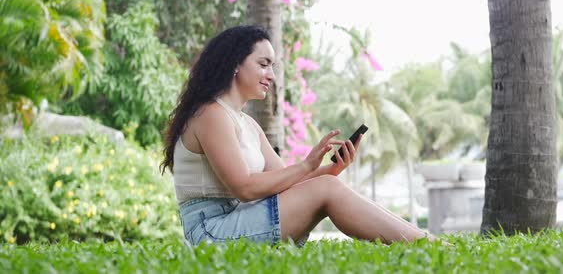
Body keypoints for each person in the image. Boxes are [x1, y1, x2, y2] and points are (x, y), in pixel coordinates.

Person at [161, 25, 435, 246]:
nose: (271, 74)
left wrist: (330, 168)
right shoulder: (211, 114)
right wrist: (307, 165)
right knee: (327, 187)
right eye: (264, 64)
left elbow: (286, 185)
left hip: (237, 219)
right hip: (211, 232)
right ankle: (427, 245)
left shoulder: (248, 124)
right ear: (235, 64)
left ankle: (425, 241)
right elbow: (244, 188)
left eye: (272, 66)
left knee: (329, 184)